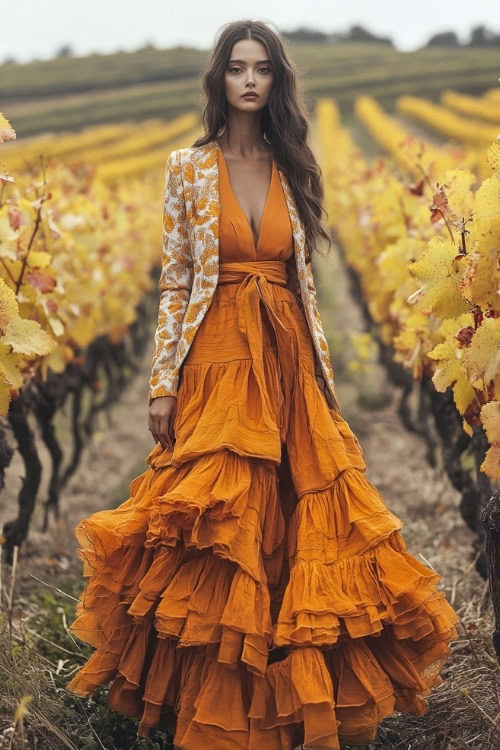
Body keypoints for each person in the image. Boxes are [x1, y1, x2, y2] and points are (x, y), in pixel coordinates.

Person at [66, 18, 460, 750]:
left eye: (263, 68)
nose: (249, 79)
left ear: (277, 80)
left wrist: (320, 375)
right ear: (219, 79)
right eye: (237, 67)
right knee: (222, 524)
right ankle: (211, 710)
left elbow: (301, 280)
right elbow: (178, 280)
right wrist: (161, 383)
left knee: (297, 514)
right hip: (215, 355)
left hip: (286, 358)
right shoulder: (186, 168)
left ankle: (293, 698)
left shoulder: (293, 163)